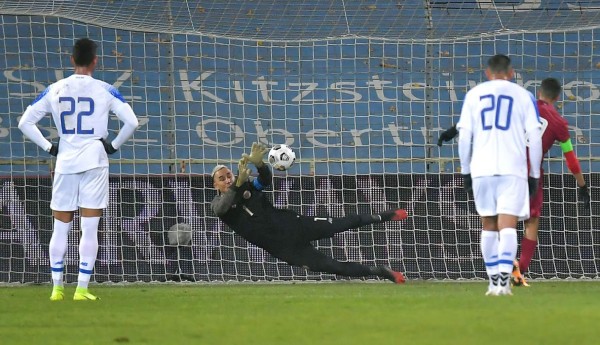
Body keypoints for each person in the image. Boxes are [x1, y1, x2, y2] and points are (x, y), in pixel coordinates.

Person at [438, 77, 591, 287]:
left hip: (504, 166)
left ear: (539, 93)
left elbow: (485, 117)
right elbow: (571, 159)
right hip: (530, 174)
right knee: (531, 222)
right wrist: (582, 186)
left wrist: (453, 131)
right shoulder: (559, 123)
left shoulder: (520, 104)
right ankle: (519, 271)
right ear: (556, 97)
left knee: (498, 220)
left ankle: (504, 266)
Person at [18, 38, 139, 301]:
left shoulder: (55, 89)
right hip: (94, 161)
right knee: (90, 227)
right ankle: (82, 289)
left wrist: (50, 147)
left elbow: (25, 122)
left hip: (65, 162)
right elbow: (132, 121)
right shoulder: (106, 89)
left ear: (72, 60)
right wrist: (114, 146)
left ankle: (56, 288)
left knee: (60, 228)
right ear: (95, 60)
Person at [211, 142, 408, 283]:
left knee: (344, 223)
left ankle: (387, 216)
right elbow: (223, 207)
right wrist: (237, 185)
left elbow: (265, 181)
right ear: (215, 184)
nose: (227, 179)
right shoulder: (218, 204)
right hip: (285, 249)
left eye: (229, 175)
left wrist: (260, 165)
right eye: (222, 178)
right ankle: (382, 271)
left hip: (295, 225)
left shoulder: (247, 186)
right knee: (334, 266)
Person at [455, 54, 543, 296]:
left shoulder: (474, 95)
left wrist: (465, 171)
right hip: (513, 168)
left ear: (487, 73)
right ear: (511, 72)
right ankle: (504, 282)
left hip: (482, 168)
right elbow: (534, 137)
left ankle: (493, 282)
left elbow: (464, 137)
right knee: (508, 226)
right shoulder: (524, 95)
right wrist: (533, 173)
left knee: (488, 225)